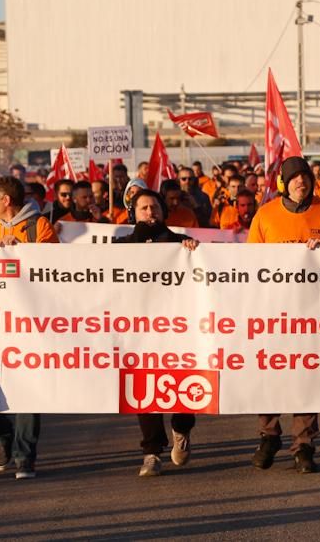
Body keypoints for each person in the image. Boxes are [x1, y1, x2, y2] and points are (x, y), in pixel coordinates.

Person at [247, 156, 320, 474]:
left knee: (307, 376)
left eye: (305, 176)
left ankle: (303, 444)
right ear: (283, 183)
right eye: (294, 178)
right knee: (269, 373)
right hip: (273, 313)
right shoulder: (265, 215)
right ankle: (269, 435)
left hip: (313, 313)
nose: (300, 182)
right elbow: (249, 265)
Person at [112, 188, 200, 476]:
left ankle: (181, 430)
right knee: (144, 389)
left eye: (154, 207)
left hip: (178, 328)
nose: (150, 212)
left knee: (184, 381)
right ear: (133, 214)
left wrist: (194, 250)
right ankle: (151, 453)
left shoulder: (180, 243)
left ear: (163, 212)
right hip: (140, 331)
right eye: (144, 208)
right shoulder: (122, 246)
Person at [0, 176, 58, 478]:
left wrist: (23, 252)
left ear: (6, 201)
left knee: (28, 386)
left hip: (30, 321)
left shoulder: (39, 226)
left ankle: (24, 454)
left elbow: (56, 269)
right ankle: (2, 437)